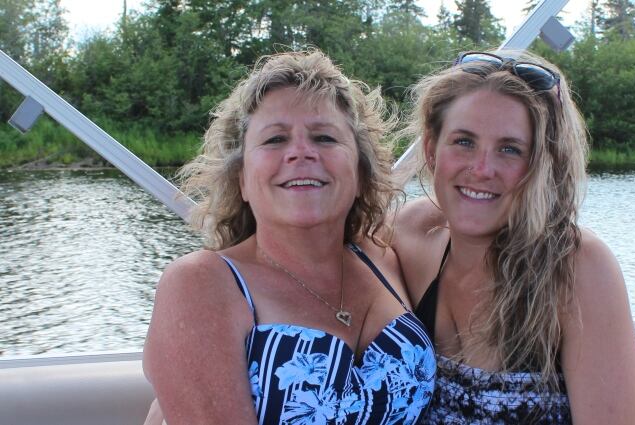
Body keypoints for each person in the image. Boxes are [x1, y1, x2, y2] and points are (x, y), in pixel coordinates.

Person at [143, 50, 435, 425]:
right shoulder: (201, 284)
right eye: (275, 139)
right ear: (242, 180)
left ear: (361, 172)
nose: (300, 152)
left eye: (325, 137)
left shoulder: (387, 257)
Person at [391, 51, 635, 424]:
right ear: (431, 150)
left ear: (542, 164)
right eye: (464, 141)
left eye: (510, 149)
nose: (481, 168)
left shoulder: (577, 267)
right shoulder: (411, 233)